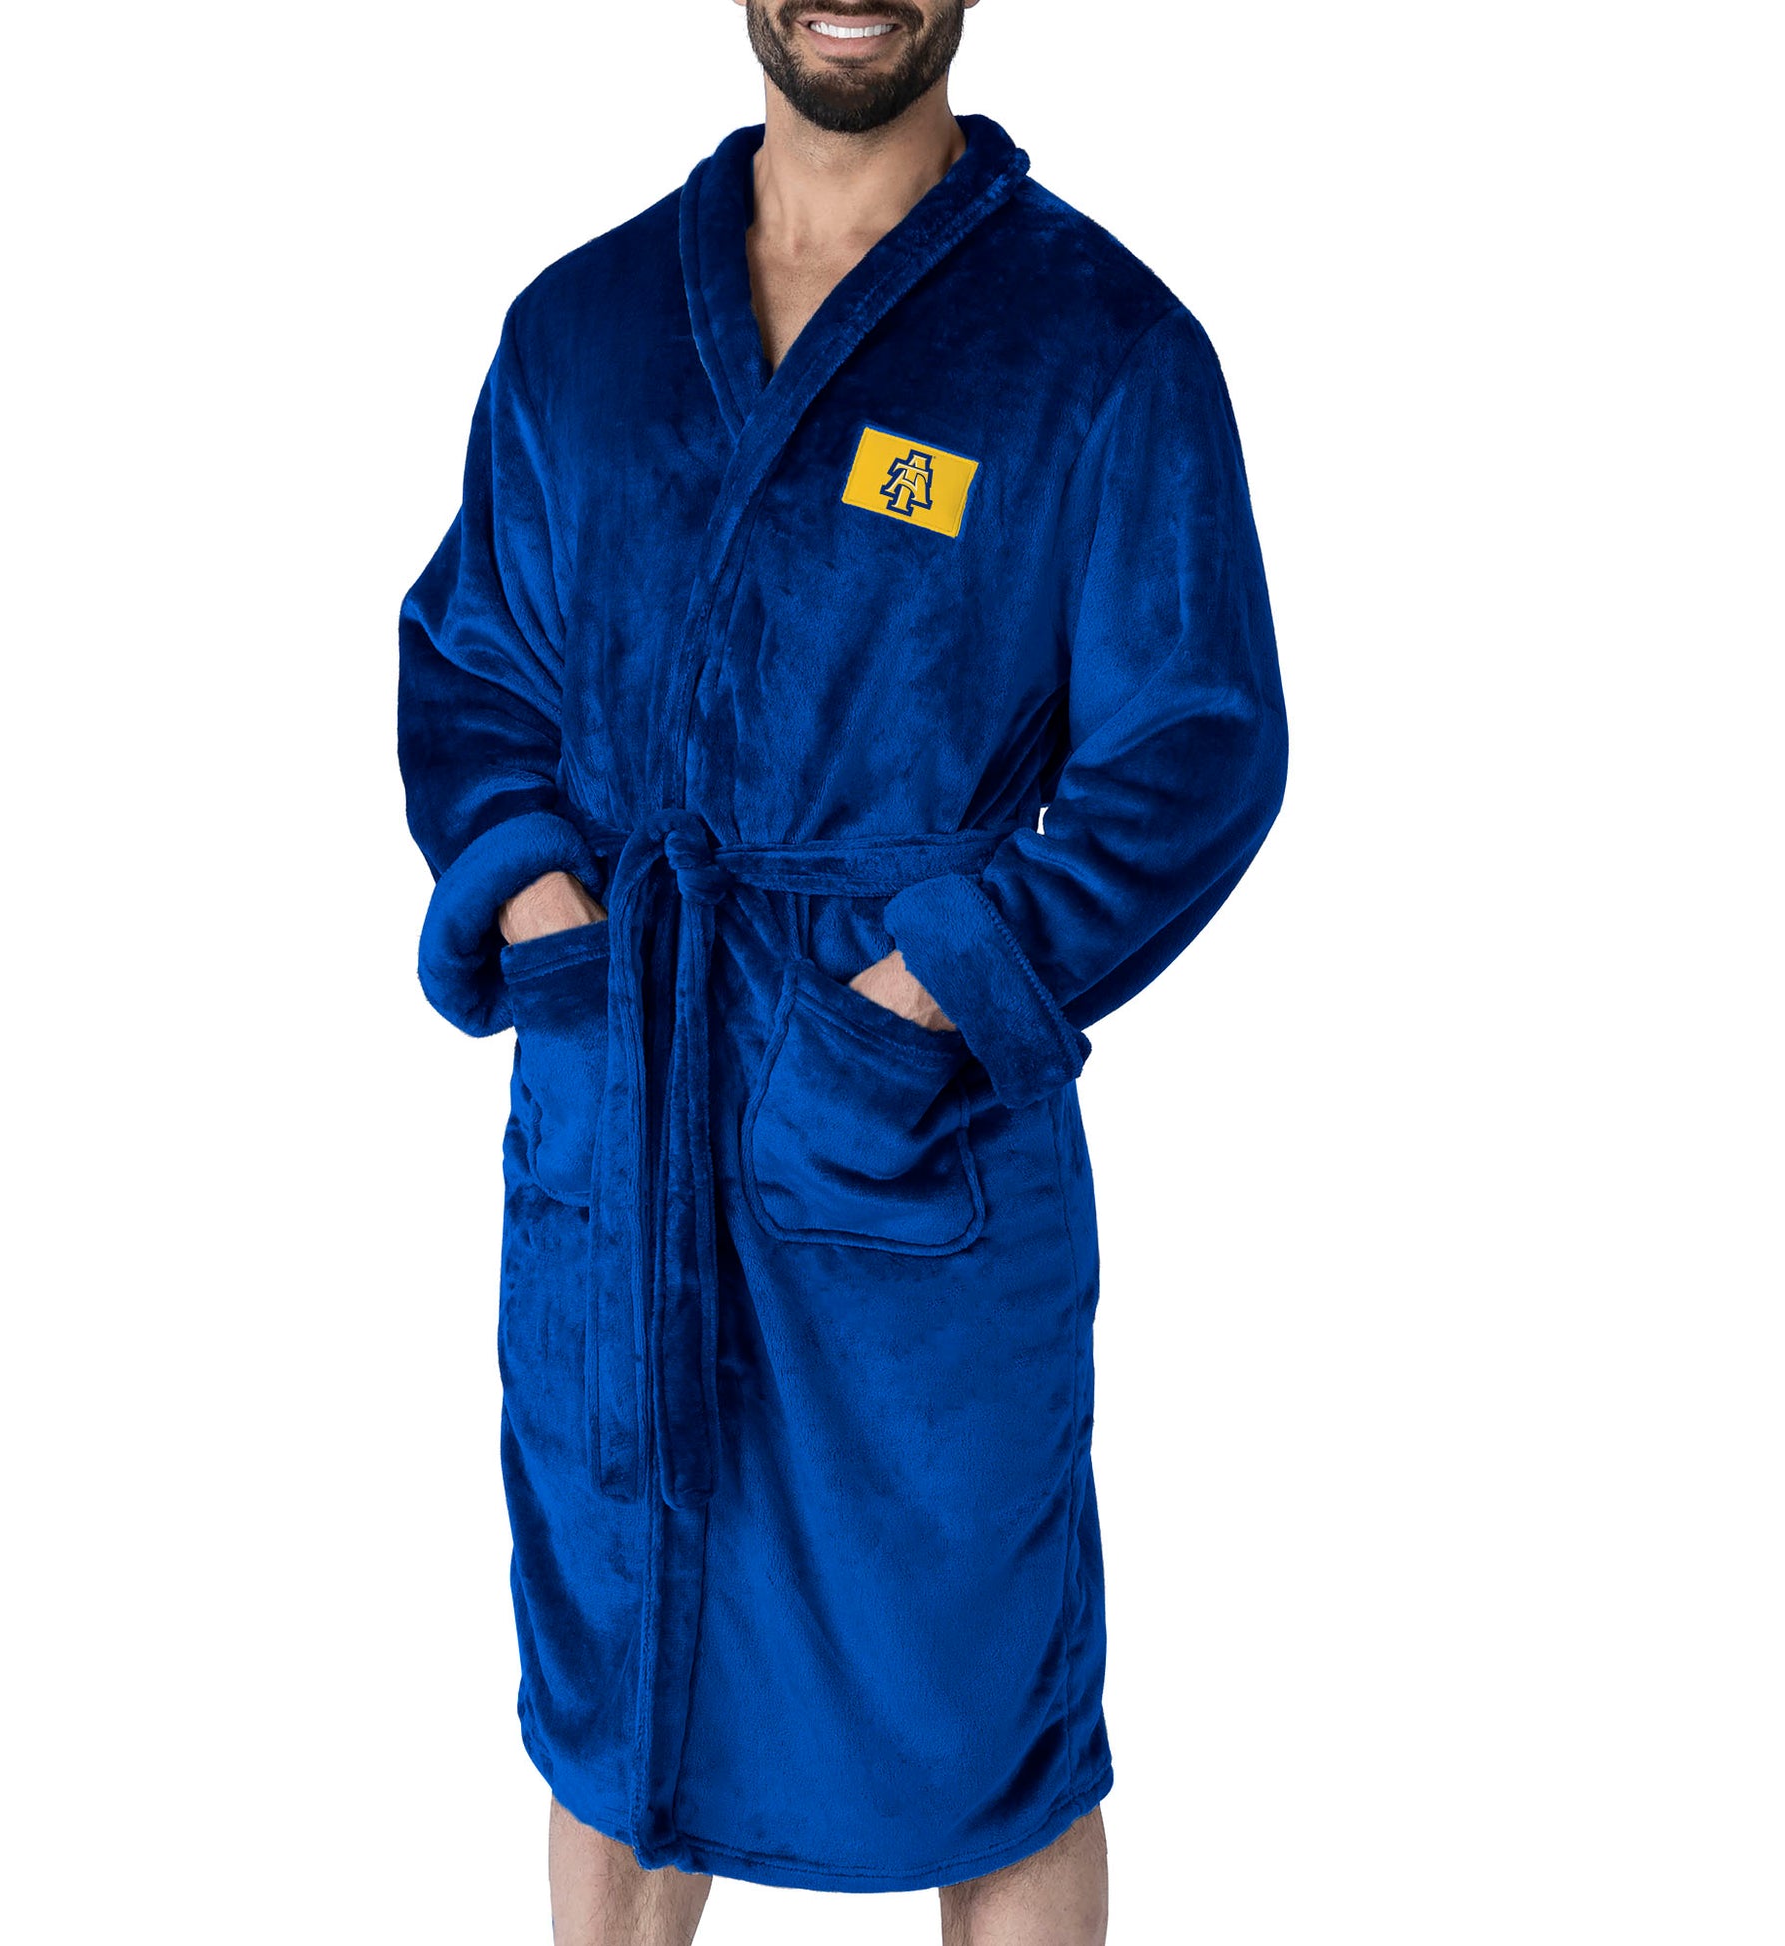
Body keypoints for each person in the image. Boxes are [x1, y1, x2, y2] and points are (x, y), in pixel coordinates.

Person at [397, 2, 1287, 1938]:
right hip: (620, 1138)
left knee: (993, 1735)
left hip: (908, 1158)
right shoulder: (581, 330)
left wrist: (926, 995)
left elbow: (1197, 746)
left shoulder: (1098, 348)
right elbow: (471, 673)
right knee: (622, 1710)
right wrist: (552, 931)